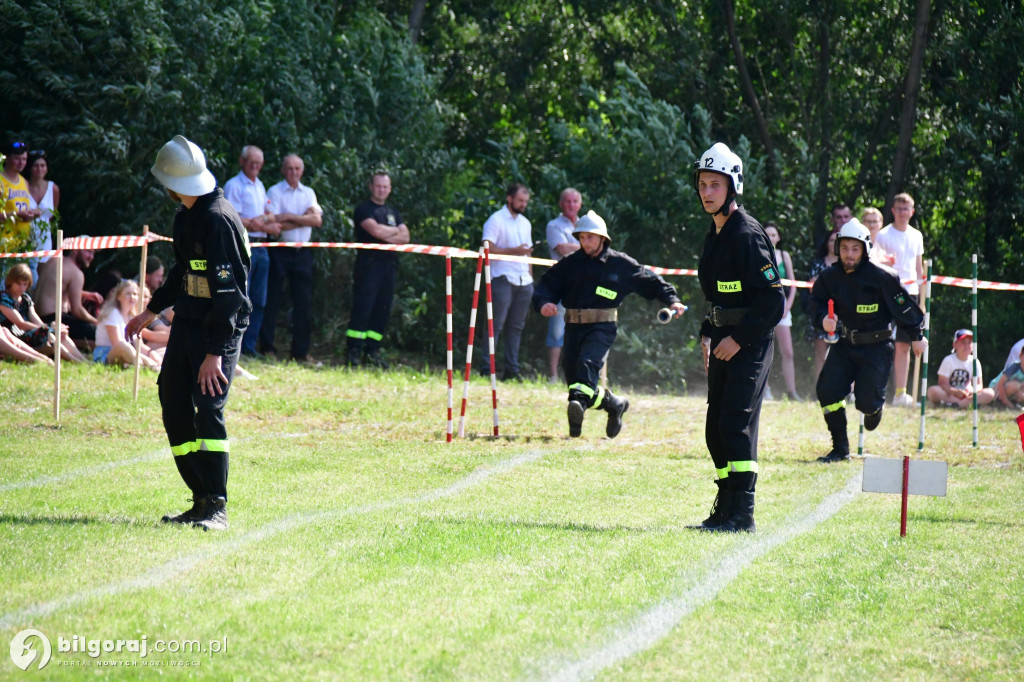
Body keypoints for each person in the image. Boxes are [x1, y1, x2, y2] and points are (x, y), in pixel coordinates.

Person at [126, 135, 251, 532]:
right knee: (172, 397)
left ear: (173, 182)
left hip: (219, 328)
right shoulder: (186, 215)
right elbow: (183, 272)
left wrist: (215, 353)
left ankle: (217, 505)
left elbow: (231, 296)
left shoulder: (218, 219)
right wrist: (150, 310)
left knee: (208, 407)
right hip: (189, 322)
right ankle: (199, 498)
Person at [690, 143, 785, 533]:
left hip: (751, 342)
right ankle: (725, 507)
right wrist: (709, 333)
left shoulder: (747, 234)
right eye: (702, 184)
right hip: (724, 338)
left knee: (735, 424)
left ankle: (743, 514)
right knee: (715, 429)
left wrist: (739, 340)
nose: (707, 192)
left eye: (715, 184)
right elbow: (717, 294)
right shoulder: (714, 234)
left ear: (732, 188)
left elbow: (773, 301)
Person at [533, 210, 683, 438]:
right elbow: (547, 285)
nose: (585, 242)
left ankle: (577, 411)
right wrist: (544, 303)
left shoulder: (620, 264)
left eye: (590, 237)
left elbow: (650, 281)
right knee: (575, 380)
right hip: (573, 327)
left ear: (603, 238)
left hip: (602, 328)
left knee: (586, 365)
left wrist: (672, 300)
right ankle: (614, 404)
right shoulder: (570, 264)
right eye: (581, 238)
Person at [810, 218, 926, 462]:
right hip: (845, 344)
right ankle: (840, 449)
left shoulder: (883, 276)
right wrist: (823, 320)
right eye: (844, 249)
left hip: (877, 348)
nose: (849, 255)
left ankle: (874, 407)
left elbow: (905, 308)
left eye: (855, 249)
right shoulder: (829, 277)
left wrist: (917, 336)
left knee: (866, 405)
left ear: (865, 249)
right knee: (827, 392)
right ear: (837, 249)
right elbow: (814, 303)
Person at [262, 154, 323, 364]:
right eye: (290, 168)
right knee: (272, 300)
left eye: (297, 168)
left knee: (303, 304)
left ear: (302, 171)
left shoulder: (309, 192)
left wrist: (288, 216)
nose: (294, 172)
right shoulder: (274, 191)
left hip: (302, 253)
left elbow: (317, 220)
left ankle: (300, 352)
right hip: (280, 251)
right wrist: (303, 219)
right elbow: (276, 227)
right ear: (283, 170)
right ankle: (267, 347)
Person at [346, 171, 409, 368]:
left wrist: (387, 233)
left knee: (382, 310)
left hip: (389, 267)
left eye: (385, 186)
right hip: (368, 267)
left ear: (389, 189)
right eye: (378, 186)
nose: (381, 190)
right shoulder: (364, 209)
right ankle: (354, 351)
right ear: (371, 187)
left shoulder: (392, 212)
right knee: (363, 307)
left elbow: (406, 237)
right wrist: (393, 231)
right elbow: (375, 231)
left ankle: (372, 350)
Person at [224, 145, 279, 359]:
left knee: (259, 299)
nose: (255, 165)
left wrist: (261, 222)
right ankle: (233, 344)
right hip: (243, 247)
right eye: (251, 161)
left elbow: (269, 215)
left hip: (262, 247)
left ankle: (249, 347)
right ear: (242, 161)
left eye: (258, 162)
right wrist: (262, 224)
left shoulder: (260, 186)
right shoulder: (234, 185)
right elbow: (234, 218)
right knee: (240, 298)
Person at [477, 182, 534, 381]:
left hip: (523, 280)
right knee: (495, 325)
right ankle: (487, 367)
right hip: (501, 277)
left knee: (516, 327)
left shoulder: (526, 223)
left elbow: (527, 253)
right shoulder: (496, 220)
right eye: (520, 200)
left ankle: (512, 369)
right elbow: (487, 247)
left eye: (525, 201)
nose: (523, 204)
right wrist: (514, 252)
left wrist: (530, 278)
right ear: (509, 198)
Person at [875, 192, 925, 407]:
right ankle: (876, 389)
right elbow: (875, 263)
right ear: (893, 211)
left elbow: (919, 268)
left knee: (905, 345)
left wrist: (921, 301)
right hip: (888, 292)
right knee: (881, 340)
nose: (903, 213)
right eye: (899, 209)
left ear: (912, 212)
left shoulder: (916, 235)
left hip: (910, 293)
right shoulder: (884, 235)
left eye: (907, 209)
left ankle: (900, 394)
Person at [0, 263, 85, 362]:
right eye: (18, 283)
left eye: (25, 284)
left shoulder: (25, 299)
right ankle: (74, 360)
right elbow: (20, 324)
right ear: (11, 281)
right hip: (15, 334)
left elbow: (36, 320)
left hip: (29, 332)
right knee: (48, 333)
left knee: (59, 333)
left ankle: (82, 359)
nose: (22, 288)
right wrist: (47, 328)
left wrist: (51, 327)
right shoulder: (3, 299)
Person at [543, 187, 582, 382]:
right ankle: (553, 375)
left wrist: (577, 246)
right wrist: (587, 246)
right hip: (561, 285)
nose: (571, 205)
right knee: (557, 331)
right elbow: (562, 249)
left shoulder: (585, 224)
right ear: (561, 204)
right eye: (568, 201)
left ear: (580, 204)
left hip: (583, 285)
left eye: (575, 201)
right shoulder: (554, 225)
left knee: (581, 330)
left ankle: (576, 374)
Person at [34, 244, 102, 348]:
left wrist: (83, 293)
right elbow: (77, 311)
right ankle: (65, 342)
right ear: (75, 250)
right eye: (88, 251)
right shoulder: (76, 273)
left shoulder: (52, 260)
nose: (91, 257)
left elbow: (53, 287)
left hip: (36, 316)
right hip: (54, 319)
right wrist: (97, 322)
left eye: (93, 253)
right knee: (98, 333)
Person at [764, 223, 801, 401]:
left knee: (788, 352)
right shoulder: (758, 253)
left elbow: (793, 284)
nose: (771, 237)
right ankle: (765, 389)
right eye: (767, 234)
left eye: (773, 235)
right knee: (763, 349)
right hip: (764, 308)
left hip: (783, 308)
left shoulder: (784, 255)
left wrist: (787, 307)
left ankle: (792, 392)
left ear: (778, 238)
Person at [93, 279, 160, 369]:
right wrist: (148, 360)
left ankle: (142, 365)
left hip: (127, 352)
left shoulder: (132, 317)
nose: (132, 297)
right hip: (104, 354)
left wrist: (151, 354)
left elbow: (139, 345)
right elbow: (117, 344)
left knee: (159, 353)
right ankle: (146, 365)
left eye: (135, 294)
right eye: (128, 294)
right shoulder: (112, 313)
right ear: (118, 297)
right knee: (124, 345)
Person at [926, 329, 995, 408]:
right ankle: (965, 404)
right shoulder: (948, 360)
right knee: (932, 391)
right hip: (951, 395)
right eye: (963, 342)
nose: (966, 346)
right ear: (955, 345)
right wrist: (954, 392)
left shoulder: (975, 361)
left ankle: (956, 405)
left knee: (990, 393)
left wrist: (972, 391)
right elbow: (942, 384)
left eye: (969, 342)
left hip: (968, 394)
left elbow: (979, 385)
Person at [804, 229, 839, 379]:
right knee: (820, 355)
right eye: (831, 240)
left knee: (843, 356)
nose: (834, 243)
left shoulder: (845, 265)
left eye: (837, 240)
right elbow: (813, 289)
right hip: (821, 311)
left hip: (842, 313)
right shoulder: (817, 264)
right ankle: (819, 387)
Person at [1, 140, 41, 259]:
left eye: (24, 159)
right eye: (17, 159)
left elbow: (23, 207)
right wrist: (16, 215)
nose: (21, 163)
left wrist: (32, 212)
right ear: (7, 158)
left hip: (23, 245)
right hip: (4, 246)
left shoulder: (24, 182)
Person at [25, 149, 59, 286]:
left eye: (42, 165)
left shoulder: (53, 188)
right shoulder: (23, 186)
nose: (39, 169)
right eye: (36, 165)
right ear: (30, 168)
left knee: (42, 280)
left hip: (44, 237)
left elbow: (53, 214)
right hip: (25, 237)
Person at [992, 345, 1024, 409]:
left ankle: (1014, 405)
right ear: (1021, 355)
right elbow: (1000, 384)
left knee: (1021, 395)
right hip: (995, 389)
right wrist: (1006, 402)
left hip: (1011, 391)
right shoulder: (1014, 367)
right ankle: (1000, 402)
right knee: (1015, 385)